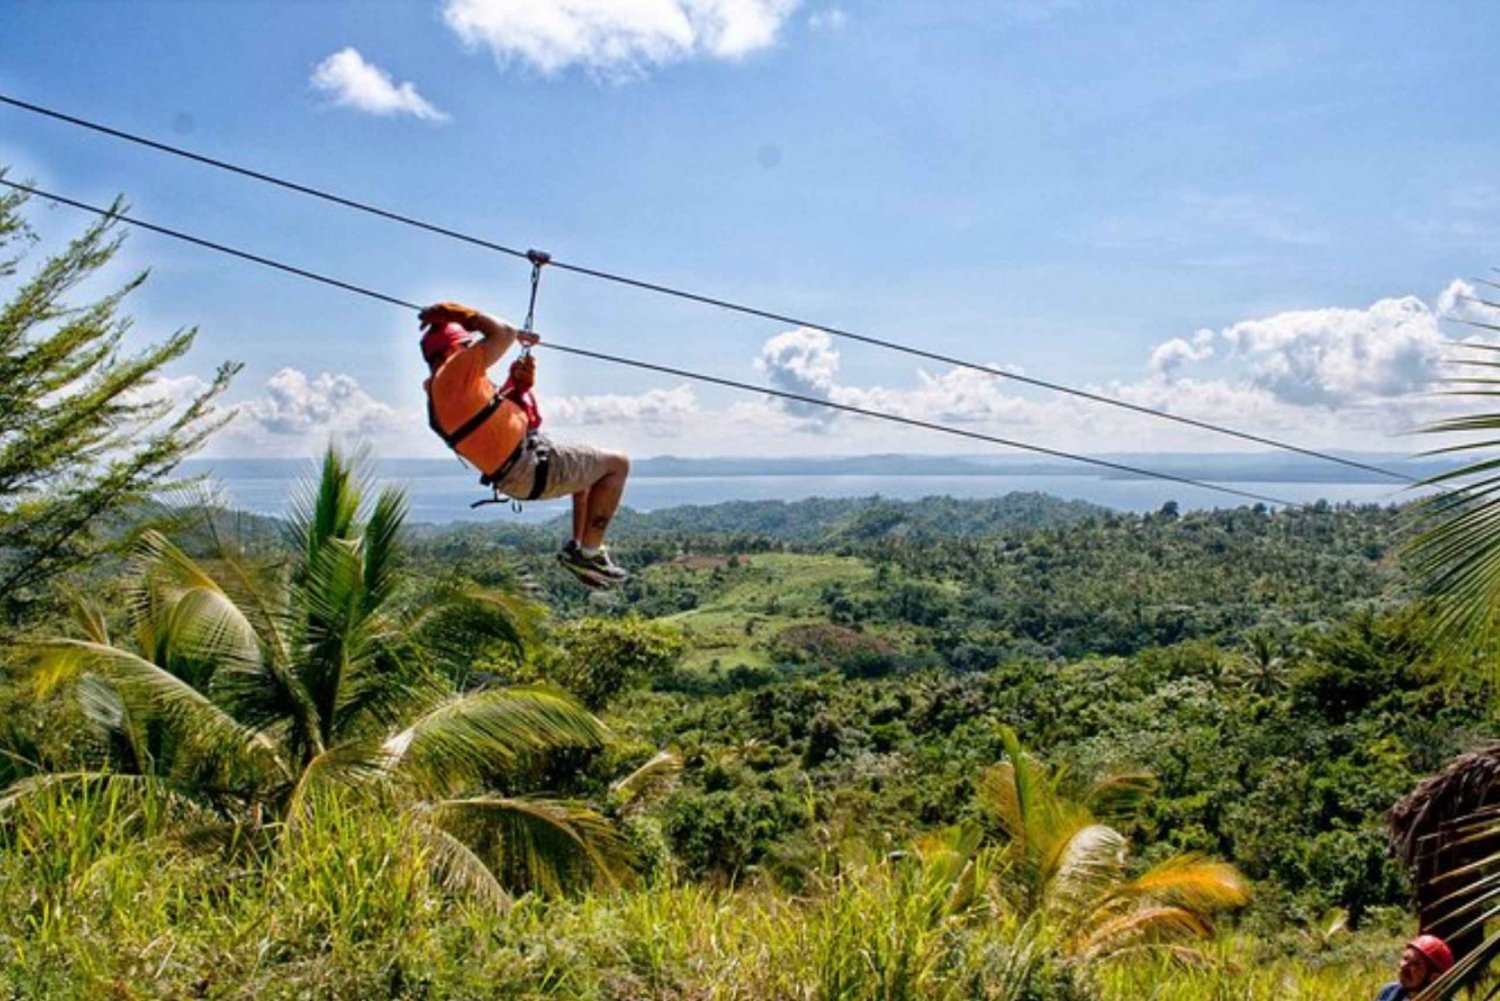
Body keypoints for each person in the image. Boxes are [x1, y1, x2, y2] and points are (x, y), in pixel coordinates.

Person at [419, 300, 630, 588]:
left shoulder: (440, 394)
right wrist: (460, 313)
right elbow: (502, 332)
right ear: (453, 348)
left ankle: (578, 548)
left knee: (586, 480)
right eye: (468, 345)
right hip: (530, 468)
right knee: (617, 464)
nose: (474, 351)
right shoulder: (454, 370)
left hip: (516, 476)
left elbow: (487, 424)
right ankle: (590, 554)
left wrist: (515, 387)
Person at [1376, 934, 1454, 999]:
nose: (1403, 966)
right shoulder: (1389, 992)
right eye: (1405, 958)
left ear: (1434, 978)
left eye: (1416, 964)